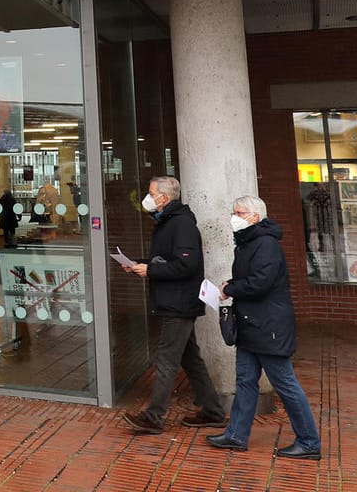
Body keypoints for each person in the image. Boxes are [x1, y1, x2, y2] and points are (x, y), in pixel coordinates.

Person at [206, 195, 320, 461]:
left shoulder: (265, 244)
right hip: (251, 325)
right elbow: (251, 278)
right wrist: (230, 284)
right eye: (233, 211)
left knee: (285, 384)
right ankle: (236, 434)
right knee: (245, 381)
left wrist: (230, 289)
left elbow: (260, 283)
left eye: (239, 212)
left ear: (255, 217)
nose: (233, 216)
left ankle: (309, 441)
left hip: (268, 327)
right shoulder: (247, 244)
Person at [120, 176, 226, 434]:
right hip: (175, 300)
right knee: (191, 359)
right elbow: (165, 259)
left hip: (179, 302)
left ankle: (154, 417)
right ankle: (213, 411)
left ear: (164, 198)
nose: (147, 197)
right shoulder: (167, 222)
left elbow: (185, 264)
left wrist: (152, 270)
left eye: (151, 192)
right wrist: (139, 264)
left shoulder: (181, 225)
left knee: (166, 360)